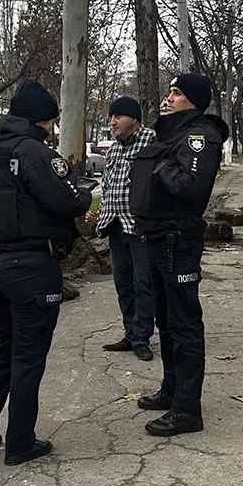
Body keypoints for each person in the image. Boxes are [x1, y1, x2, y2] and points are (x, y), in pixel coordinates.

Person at [0, 79, 93, 466]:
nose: (52, 128)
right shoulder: (34, 150)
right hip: (31, 266)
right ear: (41, 120)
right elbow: (66, 200)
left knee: (3, 353)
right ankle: (21, 443)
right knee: (28, 358)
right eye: (51, 121)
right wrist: (84, 194)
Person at [128, 73, 229, 437]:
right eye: (169, 91)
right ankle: (171, 391)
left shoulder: (199, 137)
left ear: (194, 100)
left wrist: (161, 164)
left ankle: (187, 410)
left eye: (176, 93)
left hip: (178, 241)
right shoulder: (173, 134)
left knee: (184, 324)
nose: (168, 98)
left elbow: (190, 187)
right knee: (166, 321)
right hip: (157, 237)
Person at [95, 96, 157, 361]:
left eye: (118, 116)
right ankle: (130, 333)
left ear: (134, 119)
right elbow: (107, 186)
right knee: (123, 283)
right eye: (111, 116)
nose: (113, 121)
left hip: (140, 227)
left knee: (143, 283)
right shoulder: (113, 149)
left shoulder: (151, 141)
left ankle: (142, 338)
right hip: (115, 225)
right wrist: (101, 216)